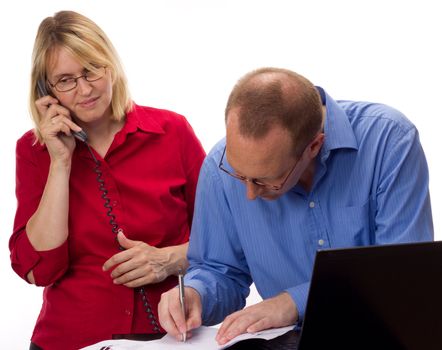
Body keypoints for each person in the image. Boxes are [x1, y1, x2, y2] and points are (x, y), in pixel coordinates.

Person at [158, 67, 434, 345]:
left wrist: (294, 302)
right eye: (239, 175)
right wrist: (197, 294)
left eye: (266, 181)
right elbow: (220, 270)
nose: (250, 194)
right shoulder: (219, 171)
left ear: (314, 146)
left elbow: (403, 274)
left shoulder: (389, 140)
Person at [9, 10, 205, 350]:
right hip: (70, 340)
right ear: (47, 90)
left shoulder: (172, 132)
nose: (84, 89)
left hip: (166, 336)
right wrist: (60, 161)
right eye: (66, 80)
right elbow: (38, 271)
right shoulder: (34, 151)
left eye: (91, 71)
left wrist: (168, 260)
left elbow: (226, 240)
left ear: (109, 66)